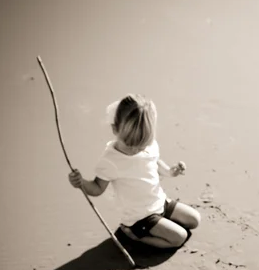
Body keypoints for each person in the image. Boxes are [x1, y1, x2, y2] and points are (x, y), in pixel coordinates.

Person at [68, 94, 200, 248]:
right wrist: (81, 183)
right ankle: (135, 236)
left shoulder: (149, 144)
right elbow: (97, 188)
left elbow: (154, 162)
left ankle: (161, 224)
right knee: (179, 237)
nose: (138, 149)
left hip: (159, 201)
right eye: (131, 144)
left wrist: (171, 172)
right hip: (140, 217)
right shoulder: (111, 160)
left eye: (142, 144)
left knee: (194, 219)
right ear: (115, 129)